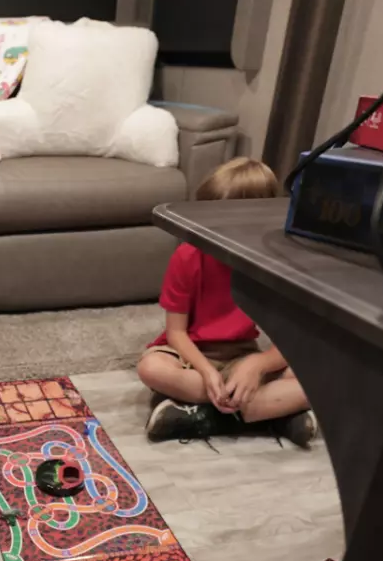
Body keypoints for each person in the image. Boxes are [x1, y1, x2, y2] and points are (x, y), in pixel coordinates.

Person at [136, 157, 318, 446]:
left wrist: (258, 364)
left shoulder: (275, 264)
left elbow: (293, 339)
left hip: (241, 355)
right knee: (151, 368)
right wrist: (207, 372)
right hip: (189, 356)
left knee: (317, 378)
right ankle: (268, 414)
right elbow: (176, 333)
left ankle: (202, 414)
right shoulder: (188, 255)